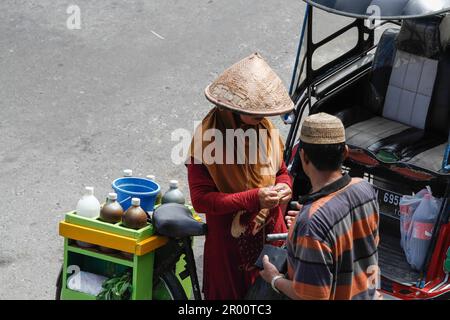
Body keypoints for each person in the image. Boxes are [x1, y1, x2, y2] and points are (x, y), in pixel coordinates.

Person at [186, 53, 294, 299]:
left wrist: (285, 186)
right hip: (230, 248)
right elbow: (201, 200)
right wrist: (254, 197)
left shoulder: (265, 128)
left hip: (270, 240)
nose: (262, 119)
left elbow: (281, 172)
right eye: (255, 114)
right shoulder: (207, 140)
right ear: (233, 109)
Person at [260, 113, 382, 300]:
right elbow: (367, 243)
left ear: (303, 156)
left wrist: (274, 278)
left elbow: (311, 296)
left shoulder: (312, 223)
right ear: (345, 152)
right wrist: (312, 220)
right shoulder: (364, 189)